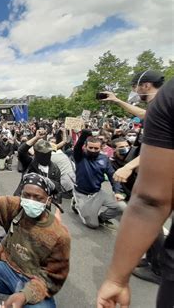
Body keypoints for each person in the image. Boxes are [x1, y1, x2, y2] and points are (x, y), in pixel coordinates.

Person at [97, 78, 174, 308]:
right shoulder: (163, 103)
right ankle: (152, 262)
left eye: (136, 87)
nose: (134, 91)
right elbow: (148, 116)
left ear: (146, 85)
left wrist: (117, 279)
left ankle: (157, 266)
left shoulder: (168, 98)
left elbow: (151, 202)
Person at [0, 161, 70, 308]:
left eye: (37, 197)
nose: (31, 201)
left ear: (48, 200)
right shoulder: (16, 206)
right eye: (26, 195)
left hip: (35, 281)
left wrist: (24, 295)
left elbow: (53, 278)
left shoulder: (59, 234)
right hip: (8, 270)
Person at [71, 130, 124, 229]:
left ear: (100, 148)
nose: (93, 150)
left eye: (96, 148)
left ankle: (100, 218)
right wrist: (85, 134)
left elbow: (112, 175)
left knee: (121, 207)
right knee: (93, 225)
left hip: (97, 192)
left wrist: (117, 191)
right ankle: (76, 203)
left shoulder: (104, 159)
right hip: (82, 194)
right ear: (85, 147)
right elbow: (78, 146)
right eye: (90, 147)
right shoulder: (80, 156)